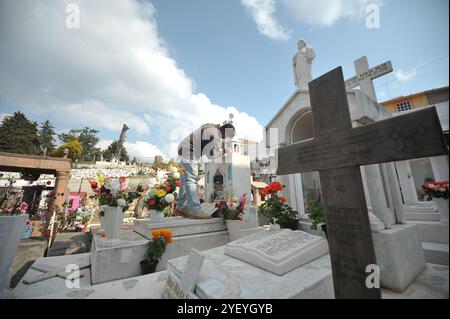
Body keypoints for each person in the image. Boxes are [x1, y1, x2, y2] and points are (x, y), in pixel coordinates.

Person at [176, 122, 235, 218]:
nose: (223, 139)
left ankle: (181, 207)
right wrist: (224, 151)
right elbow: (211, 156)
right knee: (191, 179)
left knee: (184, 180)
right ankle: (195, 210)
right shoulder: (215, 134)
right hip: (188, 152)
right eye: (226, 137)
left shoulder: (211, 126)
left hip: (183, 149)